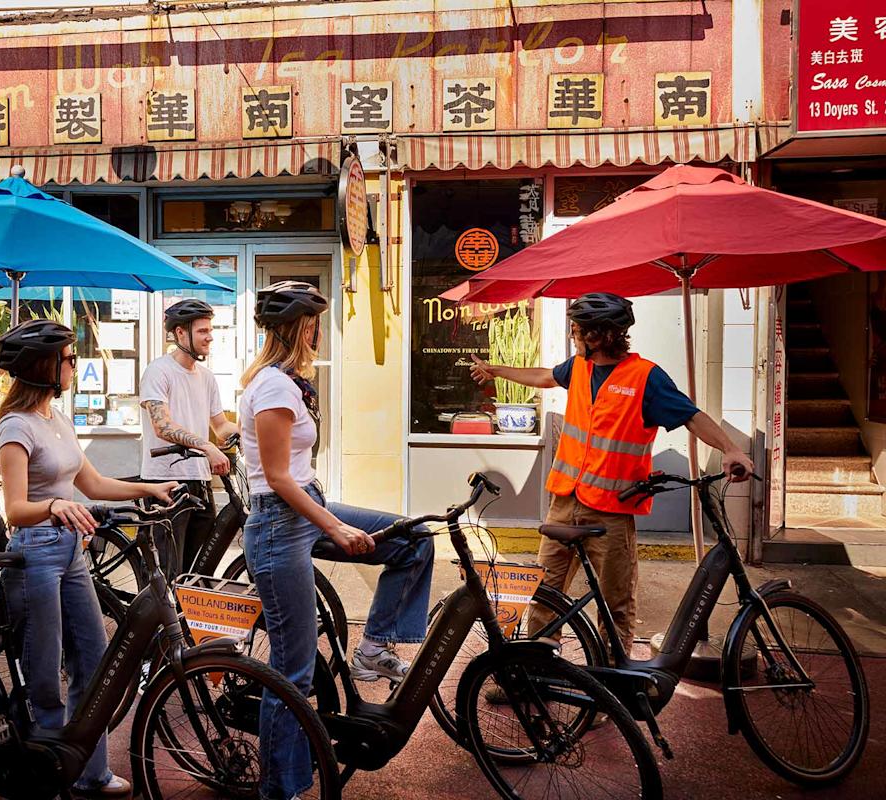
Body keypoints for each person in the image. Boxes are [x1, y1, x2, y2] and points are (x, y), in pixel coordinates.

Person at [470, 292, 754, 656]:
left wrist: (730, 449)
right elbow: (545, 376)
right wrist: (496, 370)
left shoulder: (645, 378)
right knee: (545, 593)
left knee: (614, 601)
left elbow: (691, 415)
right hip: (564, 501)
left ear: (599, 336)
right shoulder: (578, 367)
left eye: (577, 331)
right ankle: (536, 670)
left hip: (612, 511)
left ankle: (611, 677)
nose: (573, 336)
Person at [240, 281, 434, 799]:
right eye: (316, 325)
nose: (320, 334)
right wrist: (335, 525)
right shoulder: (274, 387)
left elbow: (293, 470)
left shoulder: (284, 382)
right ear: (303, 329)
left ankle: (373, 647)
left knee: (414, 540)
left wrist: (327, 514)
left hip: (305, 506)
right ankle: (279, 790)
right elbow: (278, 477)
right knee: (293, 671)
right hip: (281, 523)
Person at [0, 319, 177, 799]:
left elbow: (92, 484)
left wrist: (145, 489)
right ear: (45, 365)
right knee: (45, 676)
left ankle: (89, 772)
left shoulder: (57, 418)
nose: (75, 364)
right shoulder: (15, 426)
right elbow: (15, 509)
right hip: (34, 554)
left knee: (94, 664)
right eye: (69, 357)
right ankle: (45, 778)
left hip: (71, 551)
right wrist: (54, 506)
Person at [139, 298, 240, 574]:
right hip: (166, 483)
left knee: (198, 570)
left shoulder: (206, 377)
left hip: (199, 480)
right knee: (170, 571)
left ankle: (187, 618)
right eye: (202, 331)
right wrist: (207, 446)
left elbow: (220, 426)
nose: (210, 337)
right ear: (180, 333)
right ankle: (162, 618)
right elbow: (163, 426)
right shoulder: (158, 371)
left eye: (211, 330)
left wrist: (254, 433)